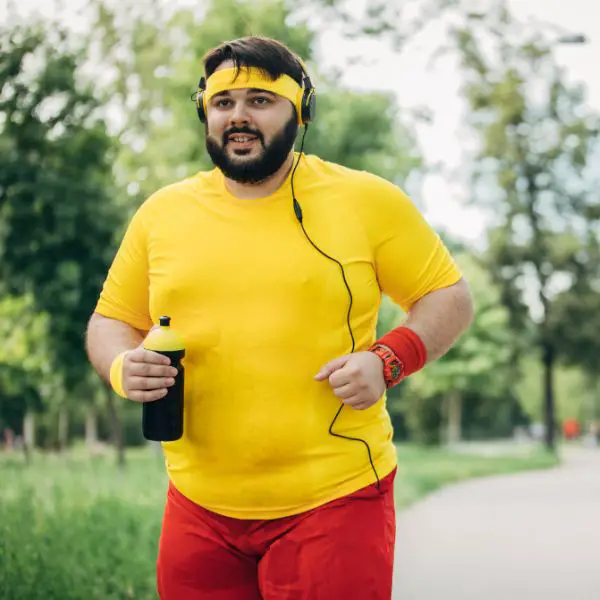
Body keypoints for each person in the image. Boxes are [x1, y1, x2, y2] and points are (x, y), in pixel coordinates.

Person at [85, 35, 473, 600]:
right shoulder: (162, 214)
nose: (238, 116)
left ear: (301, 112)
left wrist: (387, 359)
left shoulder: (365, 200)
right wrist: (123, 367)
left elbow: (449, 297)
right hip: (197, 507)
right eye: (223, 103)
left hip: (335, 499)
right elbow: (110, 321)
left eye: (260, 100)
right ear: (205, 113)